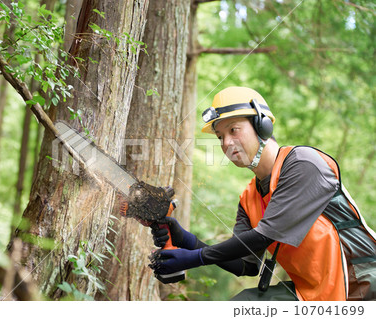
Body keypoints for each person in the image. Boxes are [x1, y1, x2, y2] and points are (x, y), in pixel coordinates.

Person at [149, 86, 376, 301]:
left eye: (233, 130)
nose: (227, 142)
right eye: (220, 137)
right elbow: (245, 264)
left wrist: (195, 259)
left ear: (262, 126)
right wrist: (188, 241)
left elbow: (264, 235)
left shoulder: (303, 164)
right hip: (311, 292)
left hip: (362, 288)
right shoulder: (249, 198)